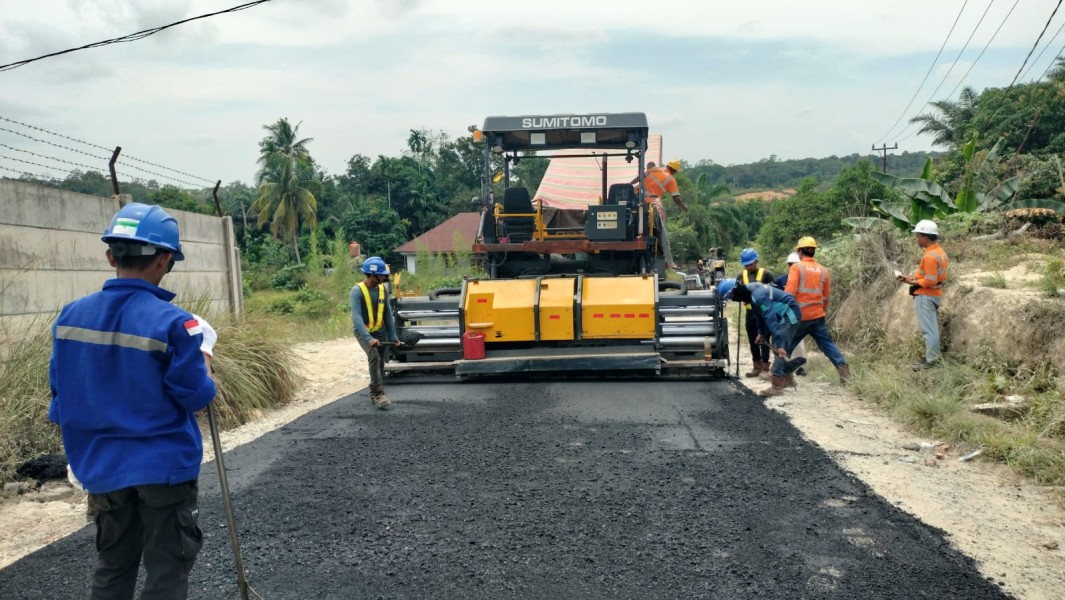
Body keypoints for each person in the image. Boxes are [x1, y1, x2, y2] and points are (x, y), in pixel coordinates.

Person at [49, 202, 217, 600]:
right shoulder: (176, 323)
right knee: (166, 570)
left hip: (101, 468)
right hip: (163, 469)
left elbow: (60, 396)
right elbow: (195, 394)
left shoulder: (69, 317)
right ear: (165, 261)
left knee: (113, 566)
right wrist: (204, 362)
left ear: (111, 255)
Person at [718, 278, 806, 397]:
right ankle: (789, 380)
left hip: (789, 314)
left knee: (778, 347)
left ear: (737, 289)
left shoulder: (758, 295)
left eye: (732, 296)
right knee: (778, 346)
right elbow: (759, 314)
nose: (733, 300)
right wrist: (762, 333)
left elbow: (770, 319)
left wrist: (780, 345)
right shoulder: (751, 292)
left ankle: (777, 385)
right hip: (781, 315)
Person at [785, 236, 851, 384]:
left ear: (800, 252)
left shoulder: (797, 267)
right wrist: (822, 312)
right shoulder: (823, 270)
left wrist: (786, 315)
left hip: (800, 317)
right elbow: (826, 297)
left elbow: (789, 294)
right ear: (813, 251)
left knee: (786, 344)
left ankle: (780, 375)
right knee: (827, 344)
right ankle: (843, 371)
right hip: (817, 316)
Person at [351, 256, 404, 409]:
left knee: (381, 361)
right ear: (372, 274)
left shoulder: (383, 289)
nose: (384, 276)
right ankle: (378, 393)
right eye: (382, 274)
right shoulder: (357, 291)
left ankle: (375, 390)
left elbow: (388, 314)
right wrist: (368, 338)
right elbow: (357, 317)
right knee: (373, 355)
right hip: (363, 331)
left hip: (379, 331)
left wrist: (393, 337)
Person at [897, 219, 948, 370]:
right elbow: (930, 277)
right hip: (934, 294)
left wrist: (908, 282)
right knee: (931, 328)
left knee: (929, 330)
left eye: (918, 236)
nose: (917, 239)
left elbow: (930, 281)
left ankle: (932, 361)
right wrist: (911, 278)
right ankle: (931, 356)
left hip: (926, 295)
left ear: (925, 237)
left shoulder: (930, 257)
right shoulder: (939, 252)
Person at [637, 160, 688, 269]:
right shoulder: (670, 178)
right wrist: (683, 206)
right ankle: (669, 261)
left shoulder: (653, 169)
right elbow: (676, 198)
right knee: (662, 233)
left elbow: (640, 176)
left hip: (635, 199)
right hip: (651, 204)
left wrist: (631, 184)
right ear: (674, 170)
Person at [735, 248, 775, 378]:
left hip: (763, 313)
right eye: (745, 265)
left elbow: (773, 292)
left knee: (764, 339)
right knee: (753, 340)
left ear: (756, 261)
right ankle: (756, 366)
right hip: (750, 313)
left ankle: (765, 367)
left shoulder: (766, 274)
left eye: (750, 264)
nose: (748, 267)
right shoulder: (741, 276)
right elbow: (737, 292)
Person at [774, 252, 808, 376]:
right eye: (790, 264)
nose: (792, 266)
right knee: (782, 340)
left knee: (798, 342)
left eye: (795, 264)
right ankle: (782, 366)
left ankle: (799, 367)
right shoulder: (780, 280)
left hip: (798, 313)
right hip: (782, 314)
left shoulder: (806, 280)